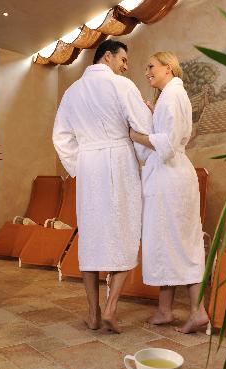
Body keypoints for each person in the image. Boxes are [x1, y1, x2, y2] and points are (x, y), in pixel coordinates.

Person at [53, 40, 153, 333]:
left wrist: (79, 166)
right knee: (125, 232)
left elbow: (61, 137)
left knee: (91, 239)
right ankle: (110, 308)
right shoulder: (122, 86)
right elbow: (143, 128)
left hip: (88, 167)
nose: (126, 67)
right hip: (119, 163)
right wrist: (146, 156)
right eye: (123, 60)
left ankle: (93, 314)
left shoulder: (72, 92)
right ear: (107, 56)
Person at [129, 52, 209, 333]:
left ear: (168, 67)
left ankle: (198, 312)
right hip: (169, 177)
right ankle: (164, 310)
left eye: (151, 66)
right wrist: (153, 115)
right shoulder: (170, 96)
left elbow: (168, 142)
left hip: (171, 179)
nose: (147, 72)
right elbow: (168, 132)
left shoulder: (173, 95)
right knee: (167, 242)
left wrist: (136, 135)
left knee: (181, 244)